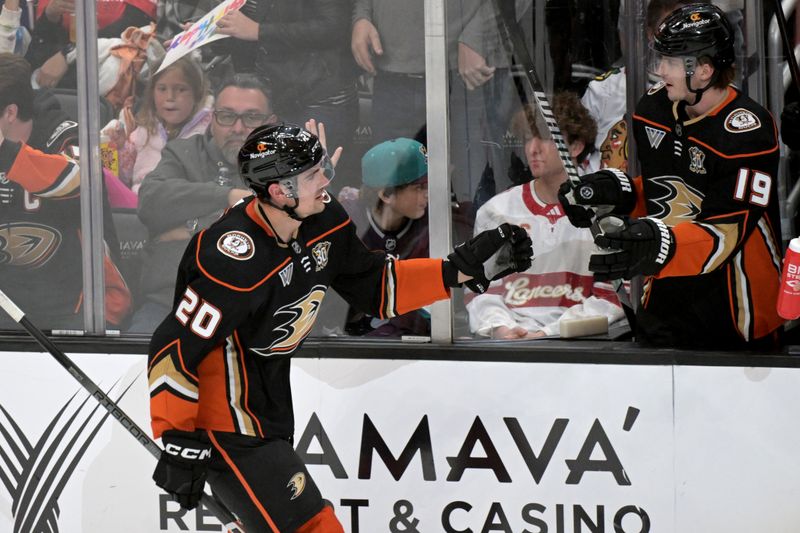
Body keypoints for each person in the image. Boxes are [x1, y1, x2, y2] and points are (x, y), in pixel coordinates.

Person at [147, 121, 532, 531]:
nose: (327, 180)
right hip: (227, 422)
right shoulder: (233, 257)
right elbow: (174, 346)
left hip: (269, 409)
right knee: (313, 526)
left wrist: (454, 271)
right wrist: (178, 440)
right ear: (279, 192)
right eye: (313, 174)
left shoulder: (324, 220)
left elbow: (376, 288)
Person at [559, 4, 783, 350]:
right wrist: (615, 194)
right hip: (665, 298)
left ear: (704, 70)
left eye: (670, 62)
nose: (660, 70)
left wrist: (656, 243)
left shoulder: (746, 132)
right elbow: (665, 192)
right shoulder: (654, 110)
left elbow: (727, 232)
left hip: (734, 308)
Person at [467, 93, 625, 339]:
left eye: (546, 138)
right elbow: (480, 288)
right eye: (528, 138)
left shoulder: (604, 215)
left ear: (575, 146)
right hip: (506, 349)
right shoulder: (496, 211)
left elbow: (611, 298)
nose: (533, 148)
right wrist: (501, 328)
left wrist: (547, 334)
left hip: (579, 352)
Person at [132, 73, 277, 333]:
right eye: (227, 116)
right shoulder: (183, 152)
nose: (237, 128)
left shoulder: (284, 165)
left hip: (257, 312)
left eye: (252, 118)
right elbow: (151, 201)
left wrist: (193, 226)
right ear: (211, 120)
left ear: (271, 124)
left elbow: (294, 231)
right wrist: (227, 197)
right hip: (172, 304)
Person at [0, 53, 131, 330]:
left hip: (78, 305)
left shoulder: (68, 136)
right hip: (7, 301)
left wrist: (7, 153)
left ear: (10, 113)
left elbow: (79, 181)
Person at [342, 137, 431, 336]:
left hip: (399, 343)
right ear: (386, 194)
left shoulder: (433, 226)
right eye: (419, 188)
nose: (428, 194)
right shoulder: (345, 222)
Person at [102, 54, 211, 193]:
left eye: (181, 89)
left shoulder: (209, 131)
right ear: (152, 93)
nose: (170, 97)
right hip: (139, 202)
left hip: (182, 203)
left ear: (197, 93)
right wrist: (121, 147)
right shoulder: (144, 130)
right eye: (162, 89)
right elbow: (125, 178)